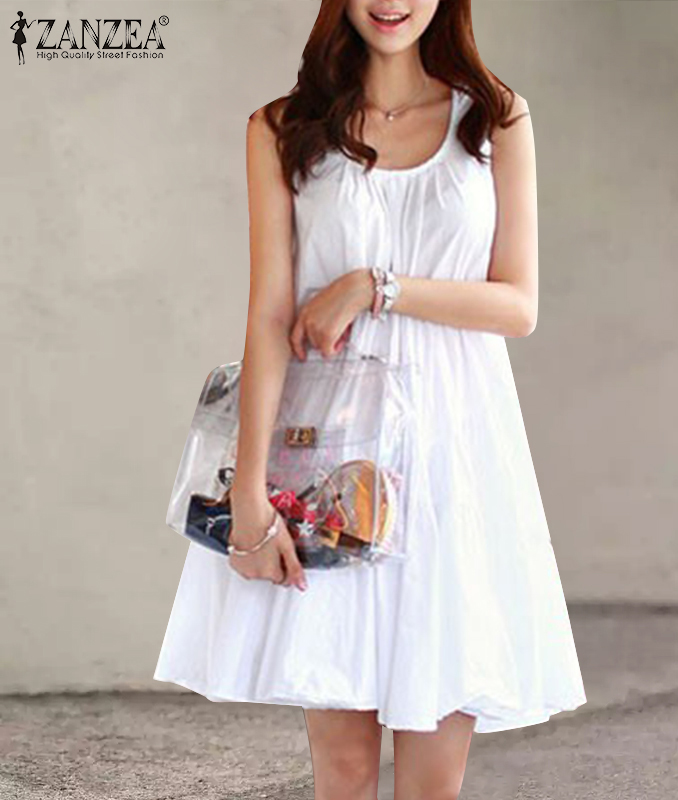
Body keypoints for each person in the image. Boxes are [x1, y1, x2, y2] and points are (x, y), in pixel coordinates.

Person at [154, 1, 587, 797]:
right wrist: (248, 493)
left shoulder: (495, 117)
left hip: (454, 454)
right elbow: (269, 317)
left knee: (432, 777)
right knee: (344, 768)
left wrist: (374, 287)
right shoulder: (284, 128)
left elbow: (518, 304)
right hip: (334, 461)